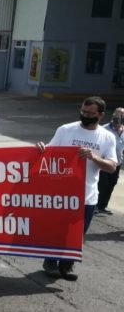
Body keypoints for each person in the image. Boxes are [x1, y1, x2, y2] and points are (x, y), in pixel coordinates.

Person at [36, 96, 117, 281]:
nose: (85, 115)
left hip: (87, 196)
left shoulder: (107, 137)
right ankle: (50, 261)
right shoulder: (65, 130)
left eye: (90, 113)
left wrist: (94, 157)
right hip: (62, 194)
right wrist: (41, 148)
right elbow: (48, 153)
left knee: (78, 233)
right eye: (83, 112)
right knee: (57, 230)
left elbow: (112, 166)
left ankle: (67, 265)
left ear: (101, 115)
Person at [97, 108, 124, 215]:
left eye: (121, 117)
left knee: (111, 184)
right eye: (116, 117)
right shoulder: (103, 129)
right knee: (102, 184)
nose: (118, 120)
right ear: (113, 117)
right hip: (104, 162)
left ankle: (103, 206)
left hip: (117, 164)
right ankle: (95, 206)